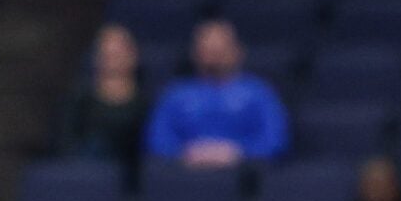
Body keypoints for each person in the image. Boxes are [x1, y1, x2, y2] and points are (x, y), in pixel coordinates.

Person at [143, 18, 288, 167]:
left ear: (238, 51)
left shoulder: (259, 92)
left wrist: (237, 151)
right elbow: (157, 141)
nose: (215, 56)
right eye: (208, 50)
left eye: (220, 49)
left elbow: (275, 140)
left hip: (244, 176)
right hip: (185, 177)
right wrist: (186, 152)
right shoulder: (175, 94)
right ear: (194, 53)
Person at [56, 24, 147, 175]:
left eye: (117, 53)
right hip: (86, 177)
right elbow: (65, 144)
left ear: (133, 55)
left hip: (131, 181)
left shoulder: (145, 104)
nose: (111, 58)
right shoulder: (78, 101)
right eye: (106, 53)